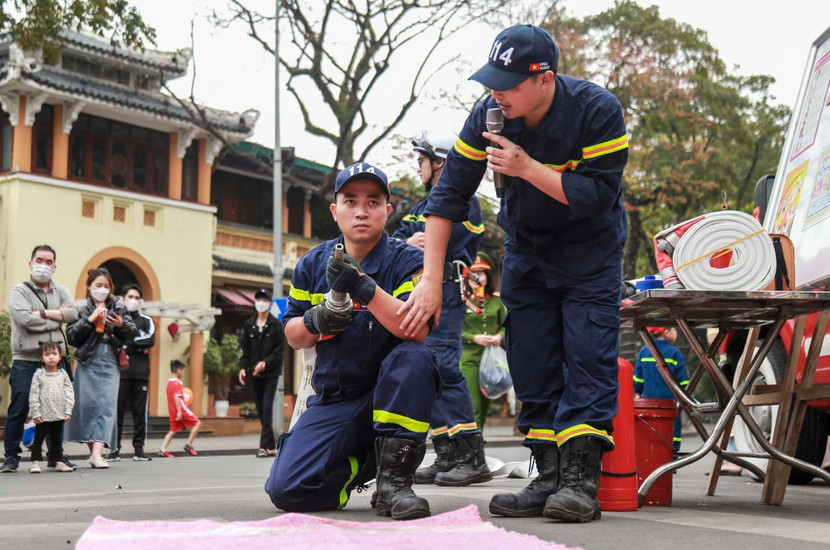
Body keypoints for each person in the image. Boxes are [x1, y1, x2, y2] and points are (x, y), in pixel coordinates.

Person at [398, 24, 629, 523]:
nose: (496, 93)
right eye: (492, 81)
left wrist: (526, 167)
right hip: (527, 252)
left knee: (588, 358)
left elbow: (597, 196)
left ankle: (579, 482)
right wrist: (431, 279)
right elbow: (448, 196)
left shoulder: (596, 110)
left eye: (509, 83)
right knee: (531, 360)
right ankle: (547, 476)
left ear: (545, 78)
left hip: (589, 254)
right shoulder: (488, 115)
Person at [265, 162, 440, 521]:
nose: (361, 211)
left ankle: (395, 484)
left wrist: (363, 287)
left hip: (391, 393)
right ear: (335, 210)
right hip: (337, 397)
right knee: (287, 490)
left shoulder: (409, 261)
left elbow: (416, 330)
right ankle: (368, 462)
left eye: (373, 202)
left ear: (387, 210)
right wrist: (316, 320)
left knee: (414, 356)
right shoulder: (311, 264)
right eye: (350, 201)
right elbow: (293, 335)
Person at [393, 131, 491, 487]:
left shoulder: (465, 200)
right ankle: (447, 453)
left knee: (446, 366)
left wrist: (428, 240)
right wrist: (407, 241)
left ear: (440, 162)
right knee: (427, 370)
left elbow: (458, 236)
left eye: (422, 159)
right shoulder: (418, 208)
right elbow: (394, 242)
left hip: (448, 290)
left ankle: (472, 456)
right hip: (418, 291)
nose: (418, 166)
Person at [2, 245, 79, 473]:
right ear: (30, 263)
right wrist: (57, 319)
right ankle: (11, 457)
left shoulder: (61, 290)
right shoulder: (20, 291)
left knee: (56, 409)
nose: (43, 266)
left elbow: (74, 313)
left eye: (48, 262)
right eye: (39, 260)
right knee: (20, 407)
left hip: (54, 361)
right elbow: (25, 319)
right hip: (26, 359)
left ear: (54, 266)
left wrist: (44, 313)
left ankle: (56, 456)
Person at [66, 267, 137, 469]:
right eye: (98, 285)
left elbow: (132, 333)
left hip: (111, 359)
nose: (102, 289)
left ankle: (97, 454)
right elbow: (71, 336)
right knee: (88, 405)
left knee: (106, 405)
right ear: (89, 287)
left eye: (106, 286)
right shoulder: (81, 309)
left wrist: (121, 324)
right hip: (87, 360)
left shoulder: (118, 306)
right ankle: (93, 453)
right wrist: (90, 320)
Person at [459, 254, 507, 430]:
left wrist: (499, 336)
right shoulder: (462, 300)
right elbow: (454, 330)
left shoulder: (496, 300)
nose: (476, 278)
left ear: (487, 277)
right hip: (469, 358)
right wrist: (474, 338)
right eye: (473, 273)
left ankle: (478, 437)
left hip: (492, 360)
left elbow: (506, 325)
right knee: (473, 406)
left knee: (486, 404)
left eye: (480, 274)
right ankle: (473, 439)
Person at [110, 283, 155, 462]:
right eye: (130, 297)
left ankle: (139, 449)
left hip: (141, 373)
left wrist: (127, 341)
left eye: (137, 298)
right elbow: (113, 338)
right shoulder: (116, 318)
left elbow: (150, 340)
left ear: (141, 301)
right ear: (123, 299)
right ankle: (114, 449)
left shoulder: (146, 320)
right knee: (117, 412)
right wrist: (132, 342)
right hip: (121, 372)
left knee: (140, 412)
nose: (133, 300)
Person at [238, 288, 285, 458]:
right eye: (258, 300)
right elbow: (245, 350)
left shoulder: (276, 325)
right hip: (254, 374)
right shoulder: (249, 325)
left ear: (270, 304)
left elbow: (279, 351)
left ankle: (263, 446)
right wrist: (243, 368)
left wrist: (266, 362)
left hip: (270, 374)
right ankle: (271, 446)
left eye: (264, 300)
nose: (261, 303)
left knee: (267, 407)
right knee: (260, 409)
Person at [634, 327, 689, 452]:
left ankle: (653, 455)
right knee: (672, 430)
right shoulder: (675, 353)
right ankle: (672, 455)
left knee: (651, 431)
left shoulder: (644, 351)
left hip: (649, 404)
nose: (676, 333)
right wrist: (684, 397)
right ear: (667, 332)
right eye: (675, 330)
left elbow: (638, 378)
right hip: (671, 404)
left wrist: (638, 392)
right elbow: (683, 382)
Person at [28, 342, 75, 473]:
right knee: (38, 439)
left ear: (60, 356)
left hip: (59, 413)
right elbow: (34, 394)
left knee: (57, 439)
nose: (51, 357)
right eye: (47, 354)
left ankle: (58, 462)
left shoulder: (63, 374)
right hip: (43, 414)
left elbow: (69, 392)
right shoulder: (39, 374)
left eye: (54, 354)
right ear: (42, 358)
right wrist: (36, 413)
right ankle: (35, 463)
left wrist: (68, 410)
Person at [159, 359, 201, 458]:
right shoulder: (178, 383)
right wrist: (179, 411)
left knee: (173, 430)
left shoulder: (169, 383)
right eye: (183, 371)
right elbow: (176, 397)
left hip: (172, 410)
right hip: (181, 409)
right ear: (179, 370)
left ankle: (163, 450)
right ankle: (189, 445)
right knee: (197, 423)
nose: (183, 373)